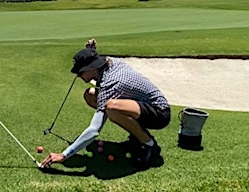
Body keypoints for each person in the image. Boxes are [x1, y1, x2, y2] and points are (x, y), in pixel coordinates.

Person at [40, 39, 170, 169]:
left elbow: (94, 130)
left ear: (92, 68)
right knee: (90, 95)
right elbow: (96, 62)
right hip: (141, 106)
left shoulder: (110, 84)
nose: (78, 76)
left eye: (80, 72)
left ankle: (147, 143)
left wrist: (64, 155)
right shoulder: (108, 63)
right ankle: (137, 134)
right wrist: (91, 51)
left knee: (111, 107)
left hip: (159, 113)